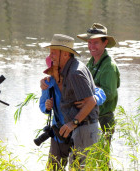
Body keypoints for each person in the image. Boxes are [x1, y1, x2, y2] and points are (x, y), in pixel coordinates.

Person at [41, 34, 101, 169]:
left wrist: (72, 123)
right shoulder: (69, 69)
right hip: (79, 128)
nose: (51, 57)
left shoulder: (75, 72)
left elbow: (91, 101)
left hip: (84, 128)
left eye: (54, 53)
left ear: (66, 54)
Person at [77, 23, 120, 150]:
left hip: (103, 119)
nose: (91, 46)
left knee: (102, 160)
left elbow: (110, 93)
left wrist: (89, 99)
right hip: (91, 117)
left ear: (105, 42)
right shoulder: (91, 62)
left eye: (95, 43)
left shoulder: (109, 66)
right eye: (89, 42)